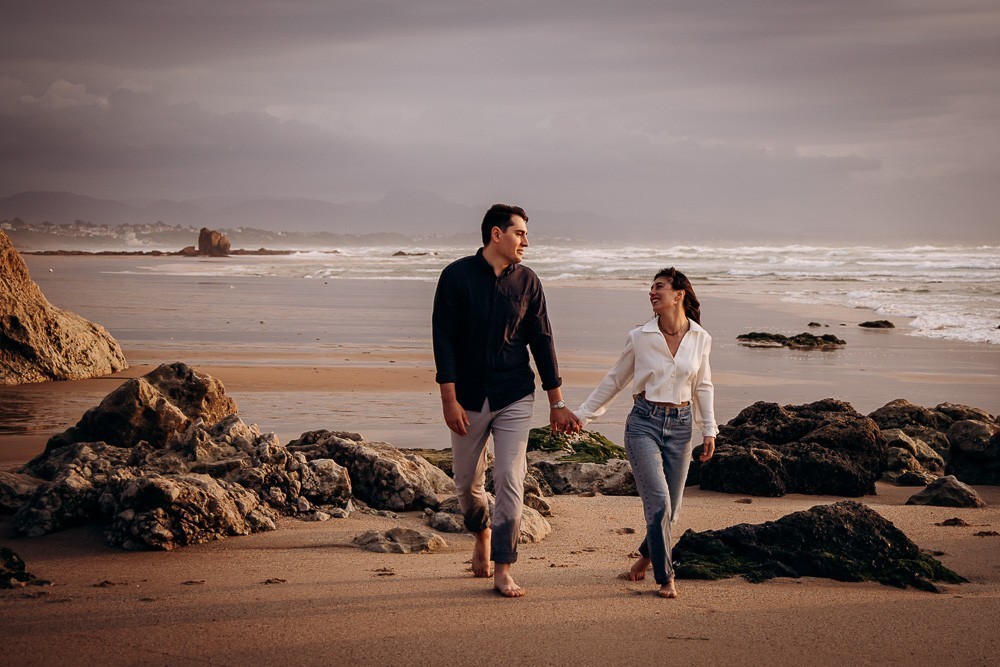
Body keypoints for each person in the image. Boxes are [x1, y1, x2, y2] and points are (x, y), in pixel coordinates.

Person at [432, 203, 581, 598]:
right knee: (466, 484)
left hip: (515, 393)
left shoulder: (529, 282)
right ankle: (481, 533)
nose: (526, 242)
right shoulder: (456, 276)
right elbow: (442, 338)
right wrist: (449, 398)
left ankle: (504, 568)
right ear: (496, 234)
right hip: (467, 397)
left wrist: (557, 401)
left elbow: (542, 341)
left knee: (510, 479)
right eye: (520, 234)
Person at [573, 267, 717, 599]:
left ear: (679, 294)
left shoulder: (700, 337)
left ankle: (644, 559)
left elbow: (703, 386)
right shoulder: (640, 336)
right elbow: (614, 380)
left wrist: (708, 429)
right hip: (644, 424)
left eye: (660, 287)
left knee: (673, 508)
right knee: (659, 503)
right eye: (651, 288)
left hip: (681, 427)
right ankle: (665, 577)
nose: (652, 292)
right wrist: (584, 415)